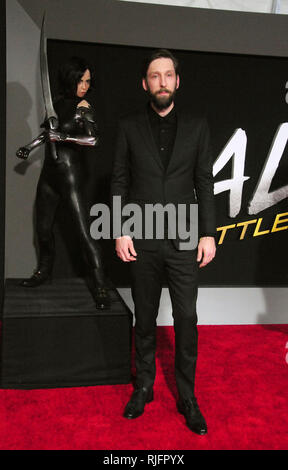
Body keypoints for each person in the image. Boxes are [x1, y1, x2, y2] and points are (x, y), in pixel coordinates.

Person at [111, 49, 216, 434]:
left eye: (168, 75)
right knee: (144, 316)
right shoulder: (127, 126)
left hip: (186, 235)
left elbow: (204, 181)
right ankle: (144, 386)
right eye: (155, 76)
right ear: (145, 83)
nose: (162, 82)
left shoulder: (197, 125)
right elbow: (119, 179)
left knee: (186, 318)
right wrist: (120, 228)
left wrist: (208, 232)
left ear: (177, 81)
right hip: (142, 234)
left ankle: (187, 396)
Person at [16, 57, 110, 310]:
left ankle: (100, 284)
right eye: (81, 80)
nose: (84, 86)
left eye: (88, 81)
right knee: (43, 229)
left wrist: (64, 136)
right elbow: (48, 134)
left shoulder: (83, 106)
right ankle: (43, 271)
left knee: (83, 232)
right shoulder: (56, 104)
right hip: (49, 174)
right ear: (70, 79)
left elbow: (93, 141)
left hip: (70, 174)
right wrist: (29, 147)